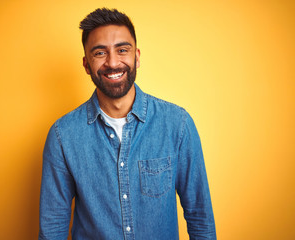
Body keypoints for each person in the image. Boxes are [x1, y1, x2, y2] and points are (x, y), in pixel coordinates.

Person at [39, 8, 216, 240]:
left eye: (122, 50)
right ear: (86, 64)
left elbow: (200, 217)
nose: (113, 62)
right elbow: (53, 227)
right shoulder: (63, 136)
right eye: (100, 53)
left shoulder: (177, 124)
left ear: (137, 57)